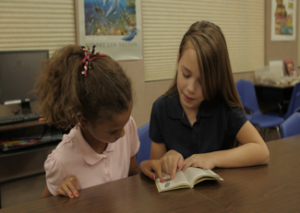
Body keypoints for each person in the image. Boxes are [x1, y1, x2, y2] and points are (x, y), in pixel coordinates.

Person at [140, 21, 270, 182]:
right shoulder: (161, 108)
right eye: (186, 74)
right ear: (178, 59)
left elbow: (262, 152)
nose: (190, 88)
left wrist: (212, 158)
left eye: (202, 82)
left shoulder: (224, 107)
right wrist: (168, 156)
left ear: (216, 80)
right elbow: (156, 167)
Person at [37, 45, 140, 198]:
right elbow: (43, 206)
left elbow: (132, 173)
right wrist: (60, 194)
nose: (123, 133)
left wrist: (146, 169)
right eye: (113, 131)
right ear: (84, 121)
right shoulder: (61, 161)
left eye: (124, 125)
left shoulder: (127, 126)